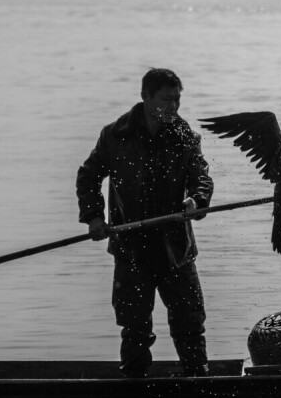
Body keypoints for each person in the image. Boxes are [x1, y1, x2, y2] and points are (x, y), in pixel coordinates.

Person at [76, 68, 214, 377]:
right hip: (131, 248)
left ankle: (200, 385)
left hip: (175, 249)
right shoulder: (115, 135)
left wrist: (197, 200)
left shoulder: (185, 137)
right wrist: (94, 216)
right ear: (145, 97)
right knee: (134, 329)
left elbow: (201, 178)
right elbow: (88, 177)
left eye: (177, 100)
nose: (174, 108)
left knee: (190, 325)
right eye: (166, 100)